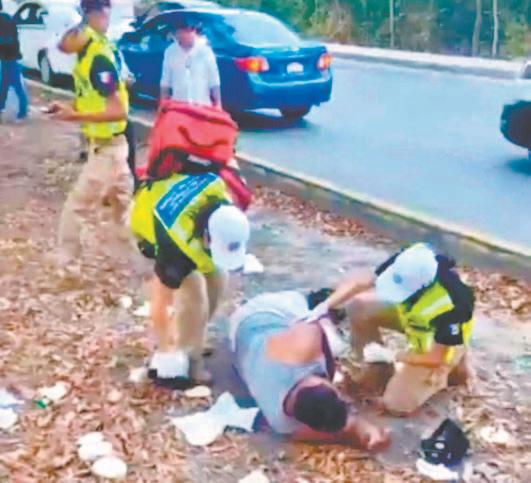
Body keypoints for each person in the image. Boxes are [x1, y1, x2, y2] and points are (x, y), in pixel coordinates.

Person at [311, 243, 475, 415]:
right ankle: (378, 370)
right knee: (358, 306)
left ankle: (450, 367)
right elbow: (364, 280)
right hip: (411, 317)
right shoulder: (410, 262)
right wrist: (326, 305)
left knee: (397, 404)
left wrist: (393, 355)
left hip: (437, 343)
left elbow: (435, 356)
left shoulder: (453, 304)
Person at [130, 172, 250, 387]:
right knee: (194, 294)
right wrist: (164, 346)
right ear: (206, 237)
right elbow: (160, 300)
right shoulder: (176, 240)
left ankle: (194, 336)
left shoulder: (220, 192)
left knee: (218, 280)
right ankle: (189, 359)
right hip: (151, 225)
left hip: (187, 222)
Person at [230, 290, 390, 449]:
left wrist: (358, 426)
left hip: (258, 315)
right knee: (333, 333)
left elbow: (316, 320)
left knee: (329, 325)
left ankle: (319, 298)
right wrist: (357, 428)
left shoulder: (280, 421)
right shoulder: (281, 422)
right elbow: (317, 432)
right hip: (251, 320)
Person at [49, 0, 131, 266]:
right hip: (115, 146)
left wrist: (75, 116)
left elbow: (118, 110)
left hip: (107, 148)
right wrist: (69, 106)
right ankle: (137, 251)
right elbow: (91, 97)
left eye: (67, 37)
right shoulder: (90, 54)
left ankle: (66, 256)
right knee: (123, 203)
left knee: (77, 205)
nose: (63, 46)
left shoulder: (97, 57)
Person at [160, 16, 221, 108]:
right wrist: (162, 104)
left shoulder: (205, 52)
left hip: (202, 106)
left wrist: (218, 104)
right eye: (186, 30)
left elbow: (214, 81)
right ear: (177, 33)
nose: (191, 33)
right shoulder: (170, 52)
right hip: (179, 106)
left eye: (192, 29)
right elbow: (165, 82)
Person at [0, 11, 28, 122]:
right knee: (6, 83)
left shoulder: (3, 20)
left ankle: (22, 111)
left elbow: (7, 40)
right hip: (10, 55)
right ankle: (20, 110)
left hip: (8, 56)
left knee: (11, 83)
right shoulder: (7, 18)